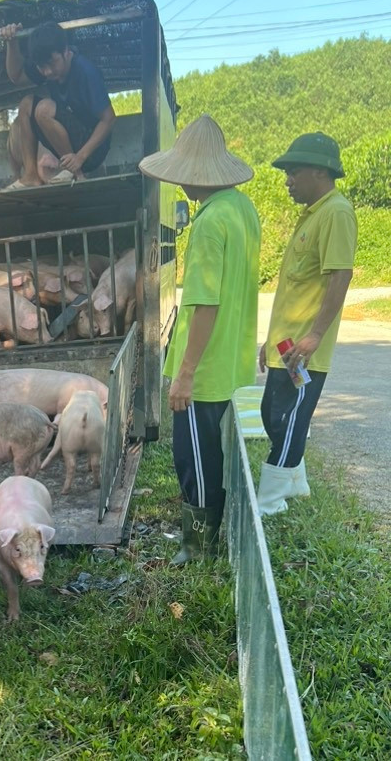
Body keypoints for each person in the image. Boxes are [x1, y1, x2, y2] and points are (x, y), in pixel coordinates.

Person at [138, 115, 261, 565]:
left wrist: (184, 375)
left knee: (195, 458)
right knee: (213, 453)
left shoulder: (210, 224)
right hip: (230, 361)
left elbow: (205, 305)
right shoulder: (242, 208)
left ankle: (199, 547)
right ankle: (206, 537)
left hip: (204, 370)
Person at [256, 133, 356, 516]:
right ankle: (294, 482)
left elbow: (340, 277)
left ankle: (270, 502)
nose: (288, 180)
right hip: (286, 345)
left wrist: (316, 334)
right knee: (272, 414)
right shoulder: (313, 213)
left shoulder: (336, 213)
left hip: (304, 351)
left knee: (290, 419)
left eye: (294, 171)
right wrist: (270, 339)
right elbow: (295, 288)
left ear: (321, 171)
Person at [0, 20, 115, 189]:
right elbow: (16, 76)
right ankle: (30, 175)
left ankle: (75, 172)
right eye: (41, 67)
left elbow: (109, 119)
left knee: (43, 109)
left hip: (92, 149)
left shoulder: (85, 71)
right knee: (26, 104)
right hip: (69, 146)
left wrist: (80, 157)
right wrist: (12, 43)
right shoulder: (48, 68)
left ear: (66, 51)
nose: (47, 72)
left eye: (52, 64)